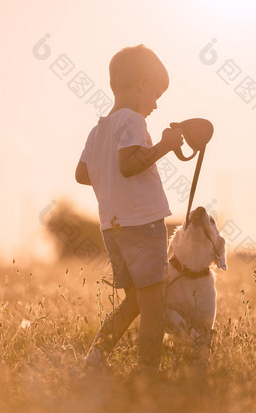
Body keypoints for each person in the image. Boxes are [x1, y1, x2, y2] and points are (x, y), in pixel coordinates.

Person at [75, 44, 183, 375]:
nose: (155, 104)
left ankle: (94, 357)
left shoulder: (99, 129)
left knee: (135, 300)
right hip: (142, 225)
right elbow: (128, 165)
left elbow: (81, 174)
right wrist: (165, 145)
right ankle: (148, 373)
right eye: (156, 93)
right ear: (141, 82)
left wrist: (108, 188)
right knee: (154, 304)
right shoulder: (133, 120)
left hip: (113, 228)